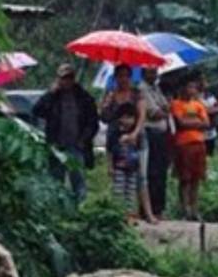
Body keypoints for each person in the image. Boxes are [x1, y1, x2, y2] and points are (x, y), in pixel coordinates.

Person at [32, 63, 99, 203]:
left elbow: (93, 123)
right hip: (56, 146)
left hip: (77, 146)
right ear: (58, 79)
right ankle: (58, 211)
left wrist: (83, 140)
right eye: (63, 78)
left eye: (69, 78)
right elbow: (37, 111)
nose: (66, 81)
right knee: (56, 182)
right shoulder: (52, 96)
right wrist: (50, 94)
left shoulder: (84, 97)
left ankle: (80, 210)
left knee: (78, 182)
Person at [99, 64, 154, 222]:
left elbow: (142, 116)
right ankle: (120, 213)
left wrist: (135, 133)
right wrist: (106, 103)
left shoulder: (137, 93)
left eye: (126, 76)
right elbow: (104, 118)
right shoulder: (111, 94)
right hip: (116, 141)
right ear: (115, 78)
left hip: (137, 141)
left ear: (130, 77)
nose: (123, 79)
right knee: (119, 178)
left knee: (141, 176)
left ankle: (145, 212)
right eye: (120, 76)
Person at [170, 76, 210, 221]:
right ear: (182, 89)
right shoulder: (176, 104)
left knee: (196, 178)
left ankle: (194, 209)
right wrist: (196, 121)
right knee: (184, 179)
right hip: (183, 144)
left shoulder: (199, 105)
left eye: (193, 87)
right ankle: (184, 209)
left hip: (199, 143)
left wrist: (191, 122)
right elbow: (181, 123)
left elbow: (206, 123)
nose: (191, 90)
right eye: (188, 87)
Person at [141, 66, 172, 221]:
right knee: (151, 172)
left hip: (161, 133)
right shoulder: (142, 89)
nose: (154, 74)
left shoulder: (156, 88)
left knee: (161, 171)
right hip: (150, 132)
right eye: (151, 72)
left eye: (155, 71)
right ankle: (150, 209)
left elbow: (166, 106)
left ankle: (159, 208)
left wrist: (164, 110)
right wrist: (164, 110)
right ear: (144, 73)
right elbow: (154, 112)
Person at [106, 103, 141, 221]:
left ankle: (130, 214)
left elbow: (140, 151)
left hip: (133, 167)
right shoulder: (114, 132)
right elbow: (109, 150)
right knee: (118, 190)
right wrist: (110, 166)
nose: (127, 121)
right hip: (118, 166)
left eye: (130, 118)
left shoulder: (136, 133)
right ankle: (118, 213)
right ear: (119, 118)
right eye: (125, 117)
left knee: (131, 191)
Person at [199, 74, 218, 156]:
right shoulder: (195, 97)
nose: (204, 84)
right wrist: (207, 111)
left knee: (210, 151)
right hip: (200, 130)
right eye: (201, 81)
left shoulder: (210, 95)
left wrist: (207, 111)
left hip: (211, 128)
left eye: (205, 81)